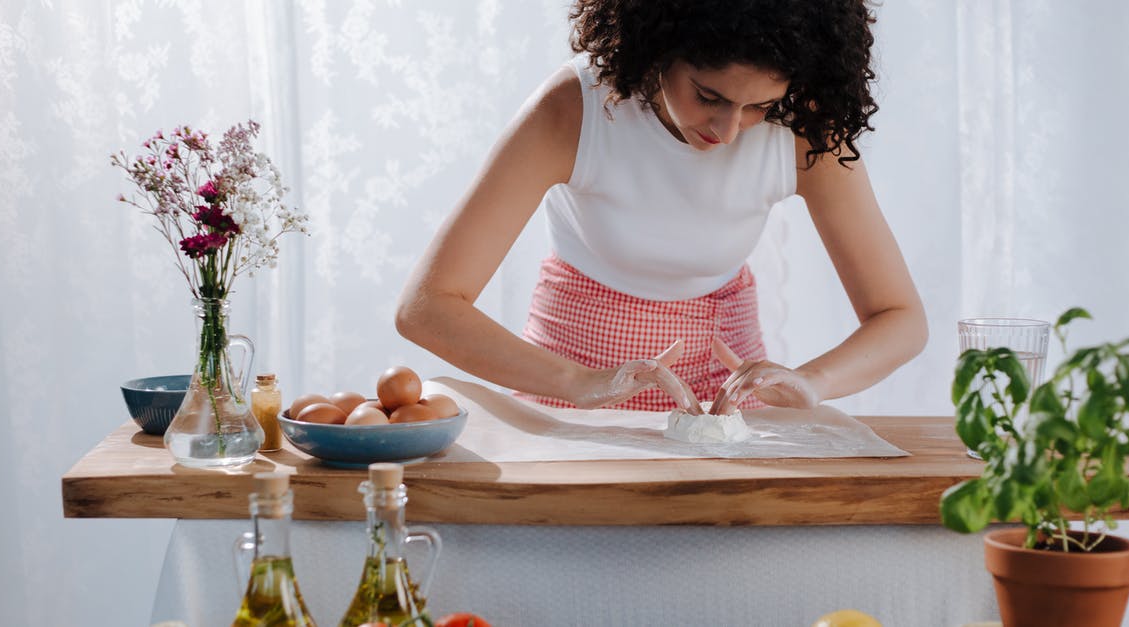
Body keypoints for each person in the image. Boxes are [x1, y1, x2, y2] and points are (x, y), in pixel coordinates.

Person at [396, 0, 927, 417]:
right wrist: (578, 382)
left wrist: (815, 382)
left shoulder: (804, 130)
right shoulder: (575, 109)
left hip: (725, 406)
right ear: (658, 48)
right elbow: (427, 307)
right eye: (709, 95)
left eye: (760, 106)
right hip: (566, 392)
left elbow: (900, 318)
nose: (728, 130)